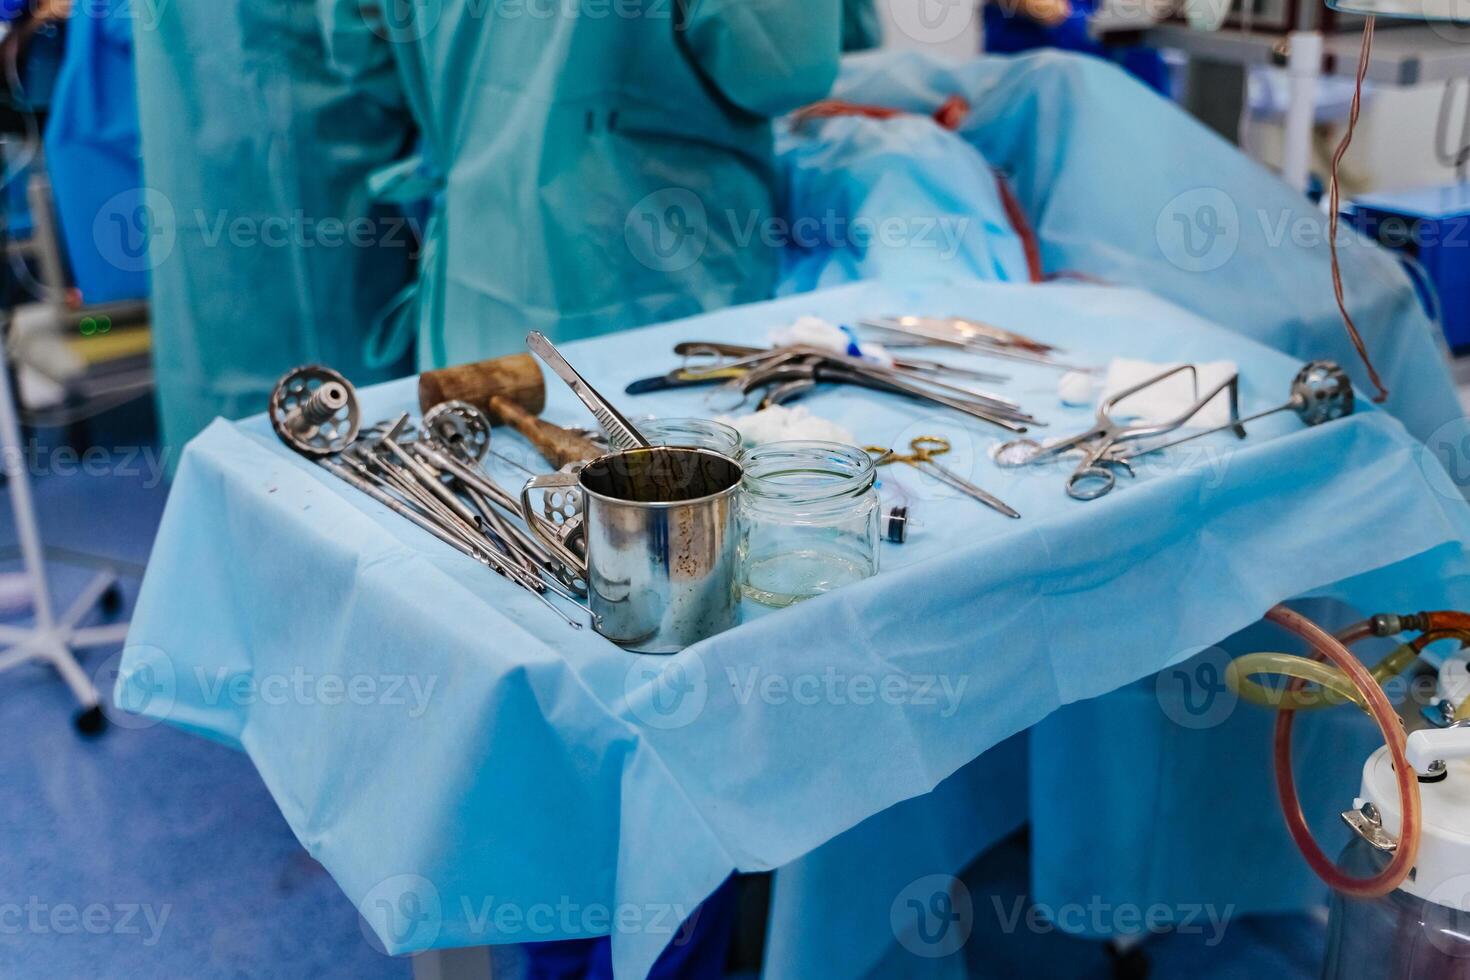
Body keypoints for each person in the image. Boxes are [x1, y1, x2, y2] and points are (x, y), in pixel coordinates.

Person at [322, 0, 845, 371]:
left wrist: (481, 117)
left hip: (473, 284)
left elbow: (360, 47)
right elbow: (785, 67)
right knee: (665, 501)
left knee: (495, 503)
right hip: (646, 288)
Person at [133, 0, 416, 454]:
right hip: (316, 169)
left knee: (237, 456)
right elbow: (366, 49)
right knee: (347, 451)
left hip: (202, 184)